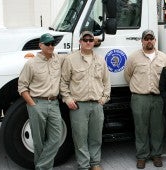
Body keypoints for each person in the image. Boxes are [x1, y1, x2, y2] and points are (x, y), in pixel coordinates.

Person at [60, 31, 110, 170]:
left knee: (96, 137)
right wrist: (67, 99)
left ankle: (95, 163)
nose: (88, 42)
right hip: (78, 106)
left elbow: (106, 81)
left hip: (96, 105)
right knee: (80, 138)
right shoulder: (70, 59)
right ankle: (83, 165)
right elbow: (63, 82)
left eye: (90, 40)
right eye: (85, 39)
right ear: (80, 42)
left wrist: (104, 98)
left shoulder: (100, 60)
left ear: (94, 42)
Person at [18, 33, 63, 170]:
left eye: (52, 44)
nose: (51, 46)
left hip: (54, 103)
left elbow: (75, 55)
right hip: (37, 104)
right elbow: (22, 87)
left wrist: (93, 41)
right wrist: (32, 104)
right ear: (40, 45)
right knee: (38, 142)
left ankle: (41, 167)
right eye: (47, 43)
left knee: (56, 137)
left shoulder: (58, 59)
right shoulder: (31, 64)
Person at [124, 29, 166, 169]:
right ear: (142, 41)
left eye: (151, 38)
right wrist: (138, 88)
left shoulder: (164, 58)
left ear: (155, 40)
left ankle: (156, 155)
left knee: (158, 128)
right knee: (141, 128)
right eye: (146, 38)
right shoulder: (133, 57)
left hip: (158, 98)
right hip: (139, 98)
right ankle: (142, 156)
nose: (149, 41)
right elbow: (128, 75)